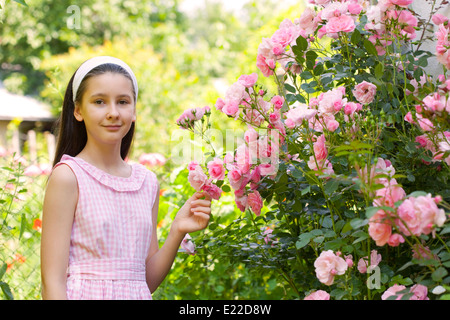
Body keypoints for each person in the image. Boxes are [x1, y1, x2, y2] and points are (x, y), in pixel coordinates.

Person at [40, 56, 212, 300]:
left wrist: (177, 230)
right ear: (78, 110)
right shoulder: (69, 177)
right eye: (99, 101)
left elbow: (145, 281)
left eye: (122, 102)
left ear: (133, 111)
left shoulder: (146, 182)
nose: (113, 113)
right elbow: (52, 283)